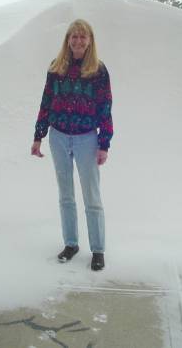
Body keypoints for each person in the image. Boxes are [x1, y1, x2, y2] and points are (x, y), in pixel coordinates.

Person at [31, 19, 113, 271]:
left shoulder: (98, 70)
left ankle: (98, 249)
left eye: (83, 37)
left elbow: (105, 108)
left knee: (92, 196)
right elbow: (46, 101)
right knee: (65, 195)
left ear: (90, 40)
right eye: (73, 37)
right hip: (58, 136)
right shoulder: (56, 68)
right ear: (67, 40)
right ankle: (71, 243)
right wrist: (38, 136)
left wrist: (104, 143)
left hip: (86, 138)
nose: (78, 41)